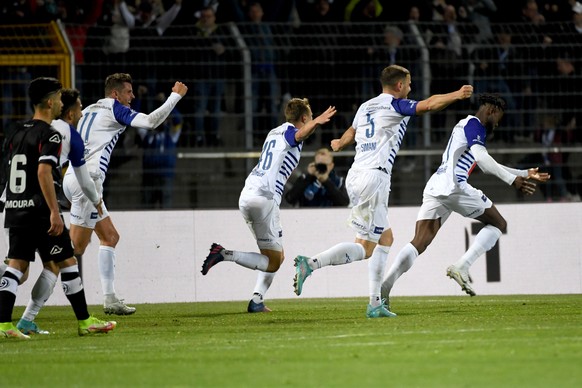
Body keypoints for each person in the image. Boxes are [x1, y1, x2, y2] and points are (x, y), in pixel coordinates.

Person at [292, 65, 473, 318]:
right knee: (367, 247)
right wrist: (456, 94)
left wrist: (339, 142)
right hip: (374, 178)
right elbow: (429, 105)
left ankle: (374, 301)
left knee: (382, 240)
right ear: (399, 85)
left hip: (356, 175)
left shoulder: (366, 106)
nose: (410, 88)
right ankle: (312, 265)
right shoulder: (395, 105)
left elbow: (353, 131)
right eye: (408, 84)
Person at [379, 94, 550, 311]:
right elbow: (484, 162)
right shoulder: (474, 124)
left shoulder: (469, 128)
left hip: (436, 185)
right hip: (455, 186)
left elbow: (487, 161)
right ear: (491, 110)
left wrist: (523, 173)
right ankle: (462, 266)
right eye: (498, 117)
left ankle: (384, 288)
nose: (497, 122)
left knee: (419, 242)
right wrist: (512, 180)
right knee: (499, 224)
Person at [62, 73, 187, 315]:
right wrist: (175, 97)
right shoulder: (114, 108)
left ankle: (109, 299)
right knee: (72, 248)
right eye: (128, 92)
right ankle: (18, 278)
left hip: (74, 175)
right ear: (115, 94)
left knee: (109, 237)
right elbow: (150, 122)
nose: (131, 97)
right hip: (88, 181)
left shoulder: (87, 110)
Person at [0, 77, 115, 339]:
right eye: (63, 100)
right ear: (53, 102)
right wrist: (56, 210)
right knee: (66, 261)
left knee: (19, 267)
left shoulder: (16, 131)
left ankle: (7, 324)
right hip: (40, 208)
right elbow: (46, 172)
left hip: (15, 206)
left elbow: (9, 170)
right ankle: (84, 321)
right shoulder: (53, 133)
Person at [201, 99, 336, 313]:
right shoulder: (290, 133)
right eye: (309, 118)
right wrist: (318, 121)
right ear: (304, 118)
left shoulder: (274, 132)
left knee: (277, 255)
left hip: (247, 194)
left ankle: (257, 300)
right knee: (272, 262)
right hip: (265, 198)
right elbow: (299, 135)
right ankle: (224, 254)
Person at [138, 92, 183, 208]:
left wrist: (165, 103)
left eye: (164, 118)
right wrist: (140, 98)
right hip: (149, 176)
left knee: (166, 209)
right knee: (146, 209)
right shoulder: (147, 136)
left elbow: (178, 121)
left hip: (166, 176)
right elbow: (137, 121)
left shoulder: (171, 135)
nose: (162, 121)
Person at [284, 147, 349, 207]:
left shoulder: (339, 181)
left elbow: (344, 203)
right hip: (306, 217)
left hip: (331, 218)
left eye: (324, 165)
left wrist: (326, 182)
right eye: (319, 165)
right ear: (314, 164)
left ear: (331, 166)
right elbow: (289, 199)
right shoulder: (304, 179)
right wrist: (308, 177)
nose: (321, 168)